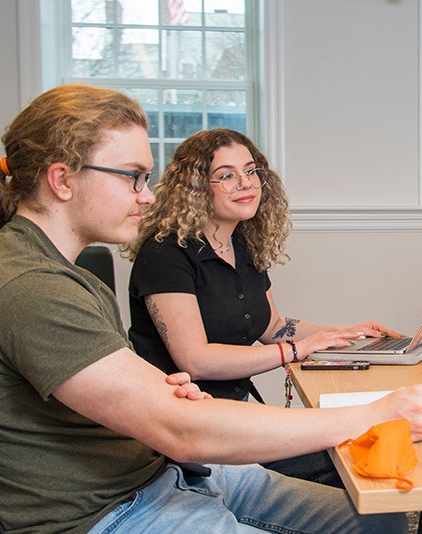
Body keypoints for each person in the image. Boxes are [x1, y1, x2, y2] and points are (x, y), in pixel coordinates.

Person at [0, 84, 422, 534]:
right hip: (110, 511)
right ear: (62, 180)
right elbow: (183, 428)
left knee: (377, 517)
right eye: (131, 176)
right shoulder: (28, 287)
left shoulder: (67, 274)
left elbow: (135, 387)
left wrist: (158, 390)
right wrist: (377, 413)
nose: (147, 195)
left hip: (162, 471)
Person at [124, 128, 402, 487]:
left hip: (237, 408)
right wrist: (297, 351)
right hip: (190, 424)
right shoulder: (165, 253)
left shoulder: (241, 244)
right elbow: (195, 359)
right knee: (342, 458)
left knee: (345, 448)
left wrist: (340, 333)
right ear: (194, 189)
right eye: (227, 176)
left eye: (251, 171)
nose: (246, 183)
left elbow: (272, 326)